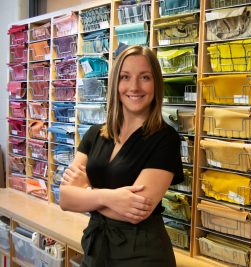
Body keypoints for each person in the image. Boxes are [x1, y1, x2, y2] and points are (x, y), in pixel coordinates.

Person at [59, 45, 183, 267]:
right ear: (116, 83)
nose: (134, 87)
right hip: (96, 249)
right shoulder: (94, 134)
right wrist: (110, 198)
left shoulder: (166, 139)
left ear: (156, 84)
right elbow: (66, 199)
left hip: (142, 255)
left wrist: (86, 192)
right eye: (125, 77)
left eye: (144, 77)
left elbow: (136, 211)